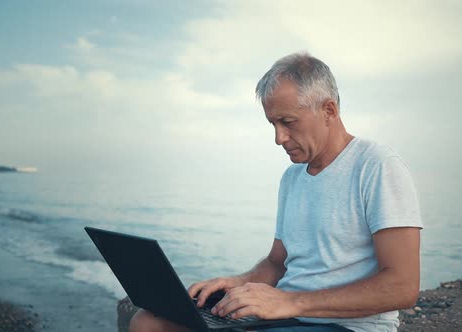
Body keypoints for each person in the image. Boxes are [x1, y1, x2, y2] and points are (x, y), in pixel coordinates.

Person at [130, 52, 423, 332]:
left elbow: (402, 286)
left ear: (328, 110)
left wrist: (289, 301)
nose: (279, 138)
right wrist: (238, 282)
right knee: (149, 322)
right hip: (286, 318)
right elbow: (276, 263)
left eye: (288, 122)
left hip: (346, 326)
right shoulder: (293, 177)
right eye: (273, 123)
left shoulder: (377, 166)